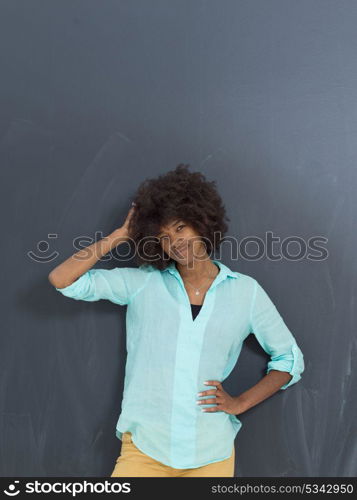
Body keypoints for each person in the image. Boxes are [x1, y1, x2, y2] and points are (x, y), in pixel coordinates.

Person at [48, 164, 305, 477]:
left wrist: (239, 403)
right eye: (164, 236)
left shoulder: (245, 292)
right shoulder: (142, 283)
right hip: (144, 449)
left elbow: (289, 360)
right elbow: (63, 280)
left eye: (181, 227)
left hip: (211, 453)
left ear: (201, 222)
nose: (176, 241)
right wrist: (118, 237)